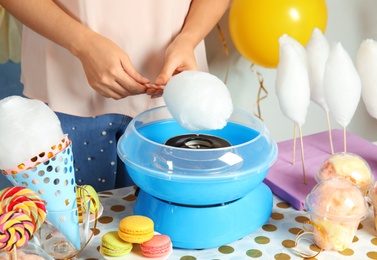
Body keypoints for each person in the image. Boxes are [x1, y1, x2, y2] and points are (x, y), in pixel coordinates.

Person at [0, 0, 231, 191]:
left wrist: (189, 37)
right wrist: (82, 44)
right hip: (64, 82)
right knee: (69, 234)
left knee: (169, 228)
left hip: (176, 93)